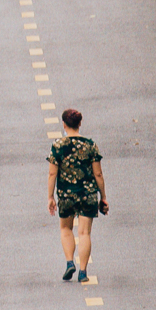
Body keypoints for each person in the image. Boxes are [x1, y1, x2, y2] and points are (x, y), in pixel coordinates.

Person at [47, 107, 106, 283]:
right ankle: (82, 272)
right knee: (84, 233)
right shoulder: (90, 145)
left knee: (66, 229)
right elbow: (98, 174)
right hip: (88, 194)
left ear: (64, 124)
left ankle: (69, 262)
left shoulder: (58, 146)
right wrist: (103, 197)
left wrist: (50, 197)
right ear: (80, 123)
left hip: (66, 195)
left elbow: (52, 174)